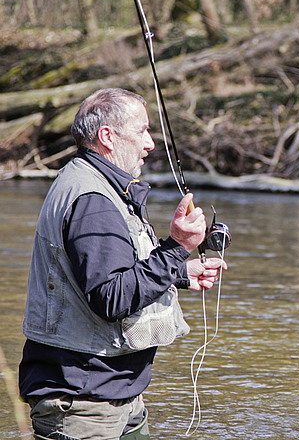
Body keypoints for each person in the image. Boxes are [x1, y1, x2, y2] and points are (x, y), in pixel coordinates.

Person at [18, 88, 226, 440]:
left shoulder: (93, 182)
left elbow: (110, 270)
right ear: (107, 137)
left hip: (116, 393)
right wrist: (176, 247)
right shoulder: (93, 200)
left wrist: (178, 273)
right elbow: (111, 298)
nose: (150, 144)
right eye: (142, 131)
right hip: (84, 401)